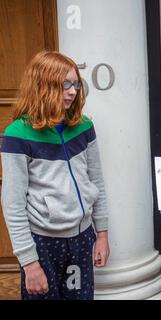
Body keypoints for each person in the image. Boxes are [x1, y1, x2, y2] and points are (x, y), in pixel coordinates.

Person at [1, 51, 110, 300]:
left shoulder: (84, 127)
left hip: (82, 239)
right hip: (43, 243)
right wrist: (29, 263)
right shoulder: (17, 135)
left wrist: (102, 234)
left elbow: (97, 183)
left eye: (75, 84)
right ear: (42, 87)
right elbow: (13, 205)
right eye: (64, 85)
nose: (72, 91)